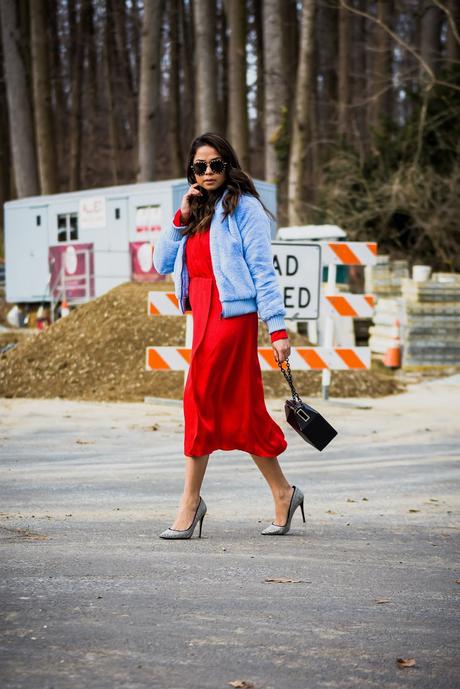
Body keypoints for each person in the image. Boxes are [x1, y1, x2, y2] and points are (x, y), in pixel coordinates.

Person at [153, 132, 305, 539]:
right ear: (191, 171)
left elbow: (263, 272)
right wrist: (180, 217)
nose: (207, 173)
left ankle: (190, 503)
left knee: (197, 395)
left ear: (228, 165)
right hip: (201, 312)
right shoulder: (194, 209)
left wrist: (277, 328)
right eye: (199, 166)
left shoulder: (245, 207)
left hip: (231, 313)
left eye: (215, 165)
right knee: (240, 409)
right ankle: (282, 492)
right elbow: (159, 262)